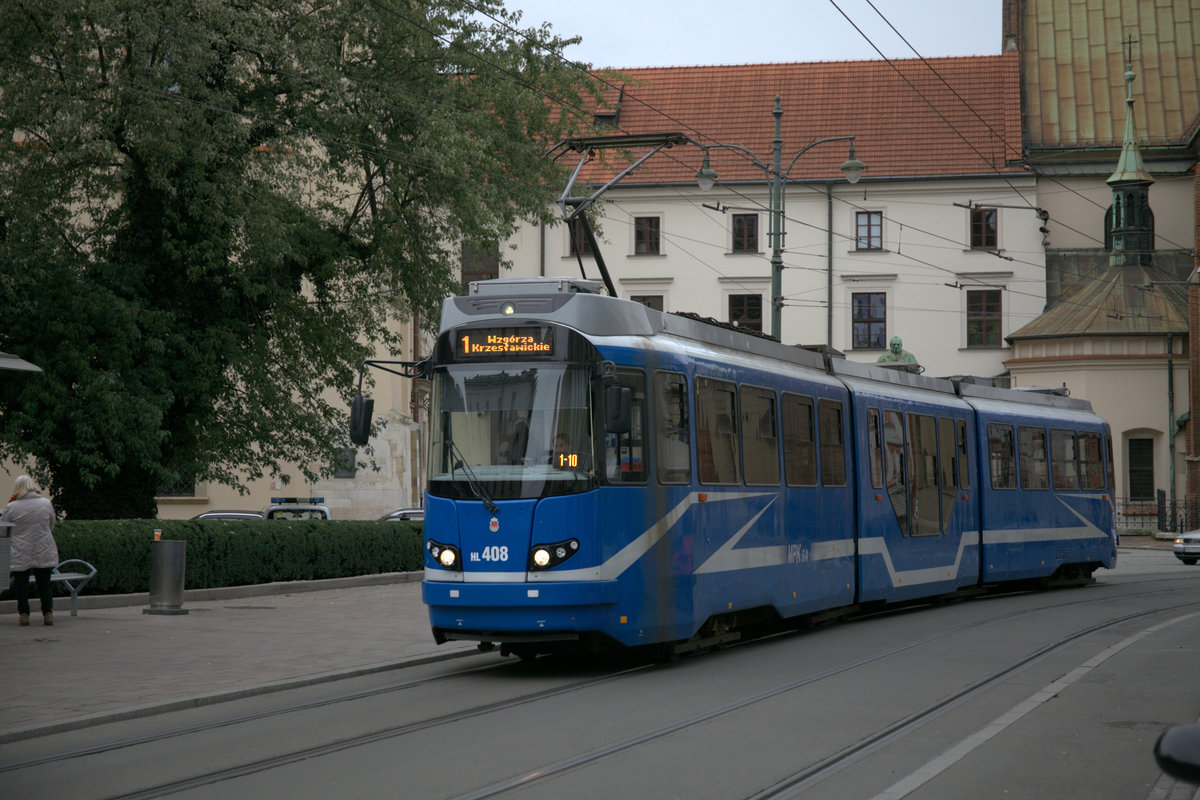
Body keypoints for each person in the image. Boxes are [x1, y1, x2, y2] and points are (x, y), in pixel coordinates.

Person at [3, 475, 59, 626]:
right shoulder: (46, 504)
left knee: (21, 584)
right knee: (44, 583)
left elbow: (4, 530)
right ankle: (47, 613)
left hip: (20, 550)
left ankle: (24, 614)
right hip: (44, 548)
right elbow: (51, 525)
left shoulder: (12, 507)